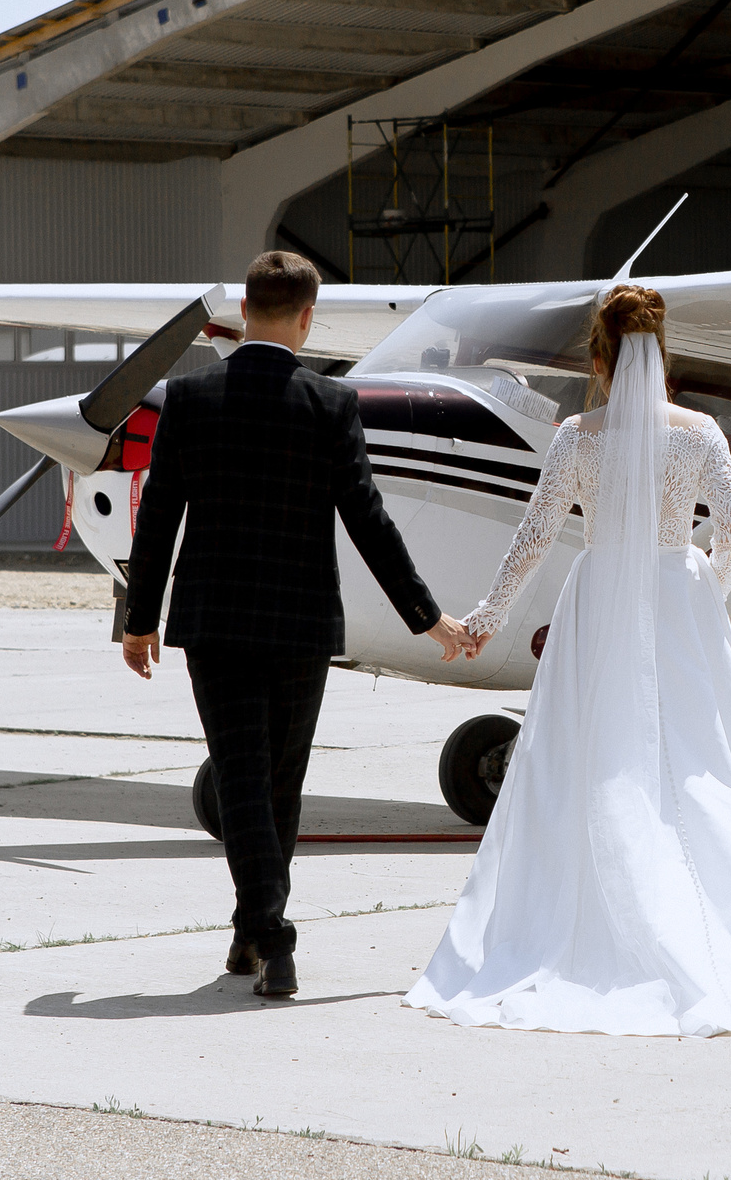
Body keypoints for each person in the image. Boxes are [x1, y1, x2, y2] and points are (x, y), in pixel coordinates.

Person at [406, 283, 731, 1036]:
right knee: (702, 767)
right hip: (676, 599)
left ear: (601, 357)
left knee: (595, 762)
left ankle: (596, 913)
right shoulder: (699, 432)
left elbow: (533, 538)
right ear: (661, 353)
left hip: (599, 599)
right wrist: (702, 588)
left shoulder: (575, 437)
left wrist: (486, 619)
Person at [121, 248, 475, 998]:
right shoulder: (330, 403)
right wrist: (428, 617)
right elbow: (369, 522)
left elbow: (159, 516)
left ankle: (261, 933)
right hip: (301, 623)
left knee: (246, 778)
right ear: (308, 319)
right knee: (277, 782)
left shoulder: (186, 397)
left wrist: (138, 616)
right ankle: (268, 938)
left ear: (244, 312)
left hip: (214, 620)